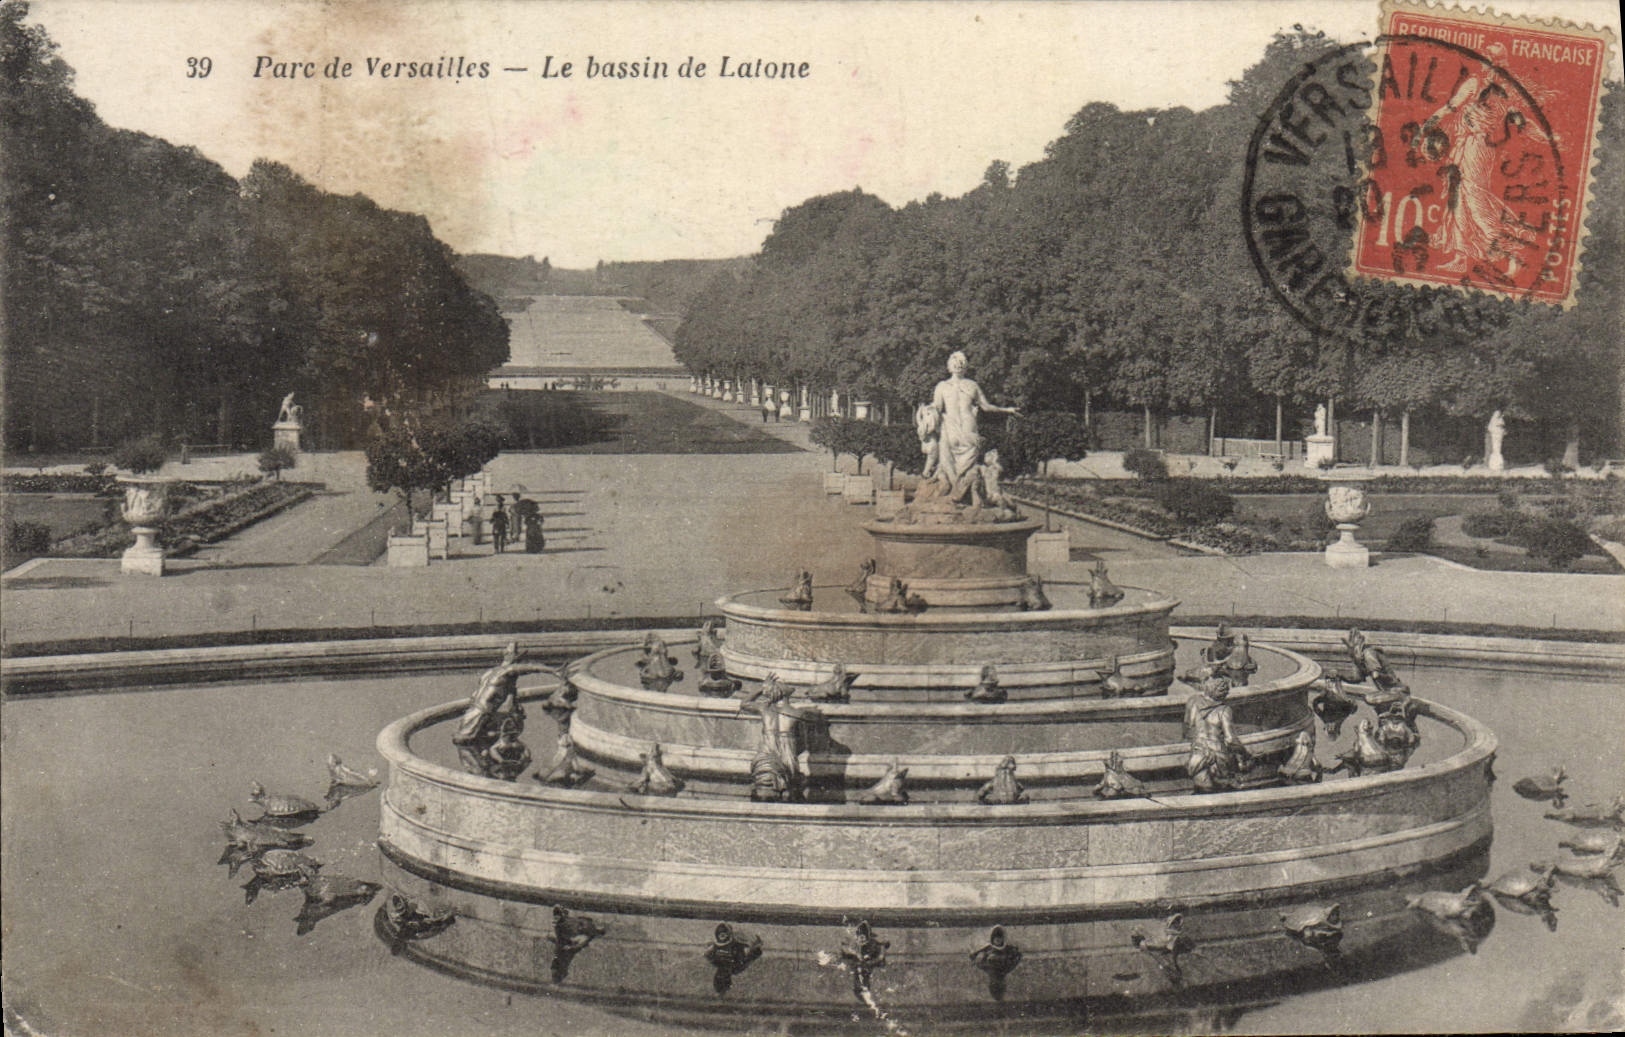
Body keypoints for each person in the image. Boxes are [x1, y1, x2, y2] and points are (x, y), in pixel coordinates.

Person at [922, 351, 1019, 497]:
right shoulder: (944, 386)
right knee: (947, 457)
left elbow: (985, 406)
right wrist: (927, 413)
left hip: (967, 426)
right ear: (949, 366)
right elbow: (936, 408)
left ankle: (962, 490)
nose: (958, 365)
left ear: (965, 366)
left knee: (963, 458)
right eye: (955, 362)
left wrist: (1007, 410)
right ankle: (956, 488)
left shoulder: (970, 385)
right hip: (951, 426)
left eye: (961, 362)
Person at [453, 643, 550, 746]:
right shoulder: (507, 671)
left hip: (476, 710)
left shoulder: (491, 672)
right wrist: (553, 670)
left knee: (465, 737)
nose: (519, 663)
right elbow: (531, 667)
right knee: (464, 738)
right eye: (518, 660)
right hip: (482, 713)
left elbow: (476, 695)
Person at [1183, 675, 1252, 792]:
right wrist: (1245, 753)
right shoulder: (1224, 710)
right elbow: (1230, 740)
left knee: (1202, 790)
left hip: (1198, 753)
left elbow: (1187, 729)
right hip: (1219, 757)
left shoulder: (1193, 702)